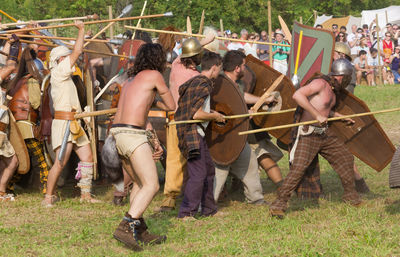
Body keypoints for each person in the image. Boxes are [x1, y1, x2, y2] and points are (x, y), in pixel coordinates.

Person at [270, 59, 362, 218]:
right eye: (347, 77)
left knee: (345, 157)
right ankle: (279, 204)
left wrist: (339, 116)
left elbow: (324, 110)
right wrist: (316, 115)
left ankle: (350, 196)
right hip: (308, 132)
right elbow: (297, 95)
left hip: (324, 133)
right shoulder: (320, 83)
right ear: (341, 76)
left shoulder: (333, 90)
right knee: (298, 169)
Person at [111, 43, 175, 251]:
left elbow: (140, 113)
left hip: (118, 133)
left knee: (138, 183)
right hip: (132, 135)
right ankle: (126, 225)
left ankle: (139, 229)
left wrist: (154, 141)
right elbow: (171, 106)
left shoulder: (130, 81)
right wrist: (156, 99)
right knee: (152, 185)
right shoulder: (155, 75)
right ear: (157, 60)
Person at [43, 21, 100, 207]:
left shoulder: (64, 74)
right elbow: (76, 53)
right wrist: (81, 30)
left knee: (87, 158)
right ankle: (48, 197)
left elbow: (76, 54)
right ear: (60, 61)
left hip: (75, 123)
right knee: (60, 163)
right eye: (66, 58)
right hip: (64, 124)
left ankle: (85, 195)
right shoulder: (58, 72)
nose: (71, 61)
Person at [157, 36, 214, 212]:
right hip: (187, 122)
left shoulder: (175, 66)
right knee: (183, 161)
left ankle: (173, 198)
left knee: (178, 161)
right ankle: (174, 200)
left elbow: (181, 51)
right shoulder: (197, 77)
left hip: (175, 120)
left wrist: (201, 42)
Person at [213, 50, 267, 205]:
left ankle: (255, 198)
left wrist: (263, 100)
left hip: (238, 134)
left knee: (249, 162)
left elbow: (240, 97)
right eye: (243, 66)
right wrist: (243, 113)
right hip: (221, 137)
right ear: (237, 68)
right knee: (220, 170)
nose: (245, 69)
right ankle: (208, 204)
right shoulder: (220, 83)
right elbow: (222, 107)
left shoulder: (237, 84)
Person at [175, 51, 224, 219]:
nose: (219, 73)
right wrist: (214, 116)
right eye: (219, 69)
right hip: (191, 133)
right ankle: (186, 213)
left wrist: (210, 112)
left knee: (209, 171)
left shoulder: (195, 82)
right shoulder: (204, 84)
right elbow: (195, 114)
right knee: (198, 174)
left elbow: (195, 109)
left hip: (195, 132)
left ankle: (209, 210)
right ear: (215, 67)